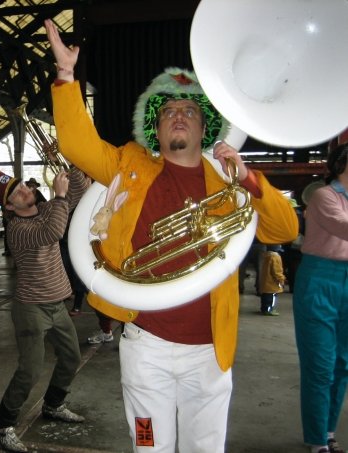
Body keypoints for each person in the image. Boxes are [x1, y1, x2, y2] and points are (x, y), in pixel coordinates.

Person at [45, 19, 298, 453]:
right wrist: (67, 78)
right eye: (168, 113)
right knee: (148, 446)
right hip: (148, 346)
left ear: (204, 130)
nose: (178, 117)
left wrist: (250, 178)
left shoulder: (230, 180)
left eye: (190, 113)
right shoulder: (128, 162)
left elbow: (285, 229)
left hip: (210, 350)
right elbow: (78, 145)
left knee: (206, 449)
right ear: (156, 130)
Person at [0, 168, 90, 452]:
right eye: (16, 194)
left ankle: (54, 404)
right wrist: (59, 195)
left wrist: (72, 163)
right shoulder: (18, 229)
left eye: (22, 185)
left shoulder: (46, 208)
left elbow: (80, 194)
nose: (24, 191)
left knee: (71, 357)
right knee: (30, 370)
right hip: (31, 308)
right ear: (9, 207)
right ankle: (4, 425)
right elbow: (53, 231)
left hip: (56, 303)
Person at [293, 143, 348, 453]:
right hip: (320, 280)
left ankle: (327, 432)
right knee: (321, 365)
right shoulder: (324, 196)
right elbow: (342, 227)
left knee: (343, 363)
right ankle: (316, 441)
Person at [258, 245, 286, 316]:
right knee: (272, 297)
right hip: (272, 283)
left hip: (265, 281)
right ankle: (269, 310)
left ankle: (264, 308)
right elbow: (277, 271)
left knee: (265, 296)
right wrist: (281, 279)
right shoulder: (275, 257)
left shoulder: (265, 256)